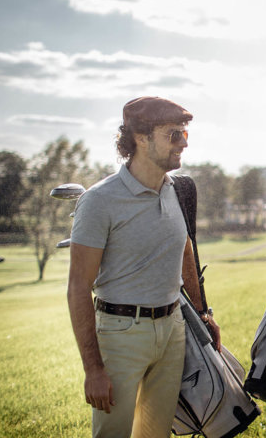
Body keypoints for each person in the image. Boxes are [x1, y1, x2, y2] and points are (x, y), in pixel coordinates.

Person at [67, 96, 220, 438]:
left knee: (156, 434)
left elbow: (185, 255)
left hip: (173, 331)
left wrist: (202, 312)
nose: (184, 142)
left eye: (185, 133)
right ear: (140, 137)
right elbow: (78, 285)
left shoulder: (178, 190)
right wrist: (93, 369)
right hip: (121, 334)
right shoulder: (99, 201)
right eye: (174, 134)